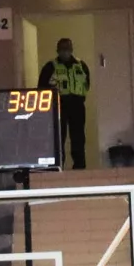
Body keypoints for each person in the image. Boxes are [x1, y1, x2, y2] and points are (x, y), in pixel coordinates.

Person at [38, 37, 91, 170]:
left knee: (78, 137)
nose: (65, 52)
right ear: (57, 50)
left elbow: (86, 84)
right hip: (58, 106)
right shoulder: (50, 67)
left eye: (67, 49)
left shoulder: (81, 65)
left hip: (77, 105)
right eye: (62, 49)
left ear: (72, 49)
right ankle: (58, 165)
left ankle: (79, 166)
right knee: (58, 137)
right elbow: (41, 88)